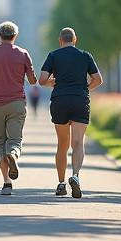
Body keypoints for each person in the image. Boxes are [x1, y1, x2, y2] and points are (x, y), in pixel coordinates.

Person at [39, 27, 103, 199]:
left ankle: (61, 183)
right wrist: (85, 89)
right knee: (78, 142)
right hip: (80, 100)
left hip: (60, 100)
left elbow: (42, 80)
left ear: (60, 40)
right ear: (75, 40)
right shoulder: (85, 55)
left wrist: (54, 83)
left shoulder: (53, 56)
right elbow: (98, 79)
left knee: (62, 144)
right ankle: (75, 176)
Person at [0, 21, 36, 197]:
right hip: (17, 103)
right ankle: (13, 155)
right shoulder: (23, 54)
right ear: (15, 36)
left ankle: (6, 182)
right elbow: (33, 81)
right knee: (14, 141)